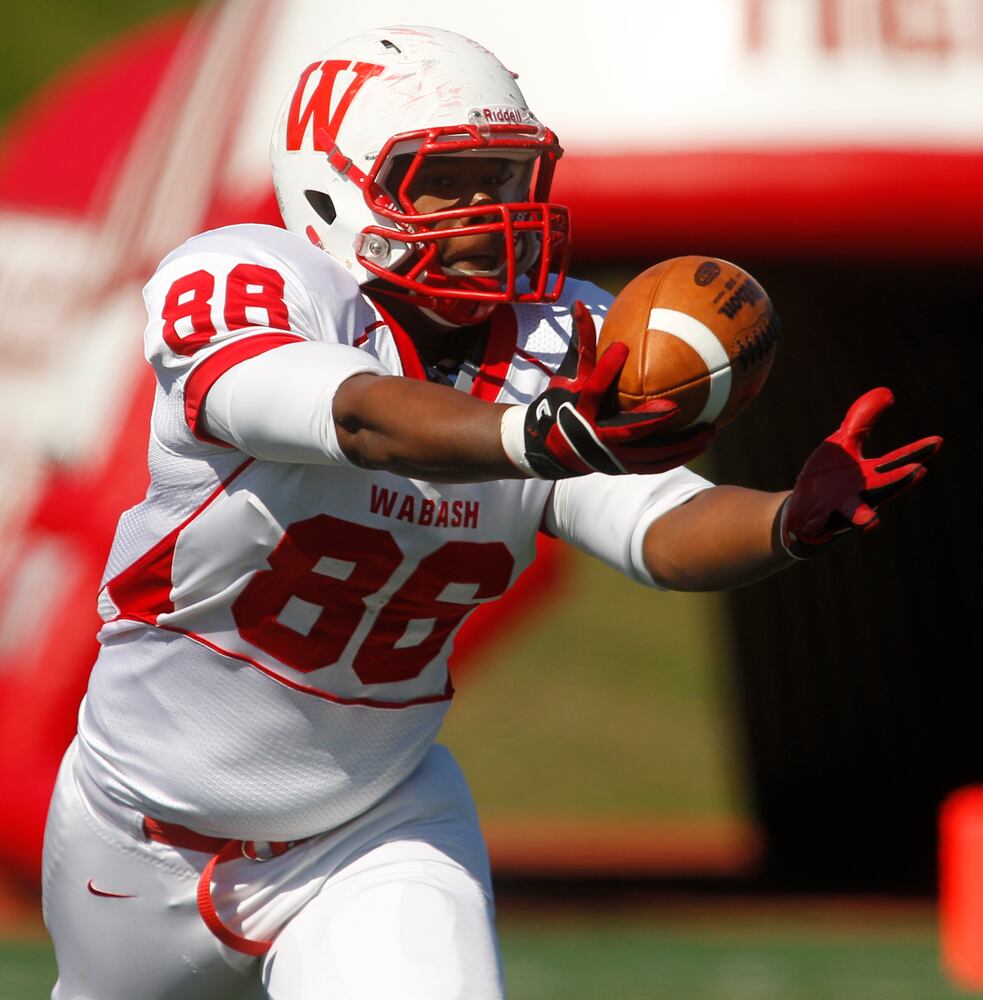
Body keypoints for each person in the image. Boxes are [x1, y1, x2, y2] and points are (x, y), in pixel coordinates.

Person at [40, 24, 941, 1000]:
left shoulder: (559, 341)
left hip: (368, 826)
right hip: (136, 832)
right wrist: (528, 434)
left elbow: (658, 528)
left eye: (506, 178)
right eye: (448, 181)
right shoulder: (254, 281)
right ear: (332, 187)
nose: (489, 211)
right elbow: (350, 414)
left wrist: (783, 523)